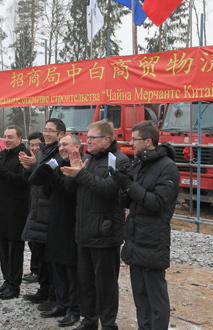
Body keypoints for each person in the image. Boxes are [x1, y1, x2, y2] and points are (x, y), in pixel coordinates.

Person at [109, 120, 179, 330]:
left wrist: (129, 187)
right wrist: (121, 186)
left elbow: (158, 204)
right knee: (139, 293)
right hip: (135, 234)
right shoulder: (139, 163)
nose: (130, 143)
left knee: (155, 294)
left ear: (148, 141)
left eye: (135, 139)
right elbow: (130, 199)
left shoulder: (168, 168)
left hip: (153, 236)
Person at [61, 119, 129, 330]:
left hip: (105, 231)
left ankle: (108, 324)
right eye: (86, 137)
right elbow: (70, 190)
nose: (87, 141)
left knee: (106, 284)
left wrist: (81, 173)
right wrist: (74, 173)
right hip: (84, 230)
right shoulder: (86, 158)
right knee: (86, 281)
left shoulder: (119, 160)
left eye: (92, 138)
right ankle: (89, 320)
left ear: (106, 139)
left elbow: (110, 189)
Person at [29, 134, 81, 327]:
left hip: (72, 223)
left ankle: (74, 309)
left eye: (65, 144)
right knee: (57, 265)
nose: (61, 148)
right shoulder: (58, 164)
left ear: (77, 146)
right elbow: (38, 184)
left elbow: (69, 190)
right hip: (55, 221)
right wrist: (45, 169)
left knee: (70, 269)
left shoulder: (79, 164)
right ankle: (61, 303)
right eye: (60, 145)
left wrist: (54, 178)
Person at [19, 119, 65, 307]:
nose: (46, 134)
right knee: (38, 254)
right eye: (45, 130)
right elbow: (32, 179)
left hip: (51, 212)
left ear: (61, 134)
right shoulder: (42, 153)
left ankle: (54, 296)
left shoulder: (60, 154)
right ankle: (43, 290)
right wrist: (27, 167)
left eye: (51, 131)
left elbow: (52, 180)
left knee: (50, 257)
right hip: (37, 210)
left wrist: (35, 166)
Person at [0, 125, 31, 300]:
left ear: (19, 138)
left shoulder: (24, 155)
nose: (7, 140)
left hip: (18, 208)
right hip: (2, 206)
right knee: (2, 245)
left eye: (10, 137)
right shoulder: (3, 154)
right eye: (5, 137)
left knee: (15, 249)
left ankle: (14, 285)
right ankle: (7, 280)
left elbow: (21, 181)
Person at [23, 131, 45, 284]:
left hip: (42, 205)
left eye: (38, 144)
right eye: (32, 145)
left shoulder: (44, 158)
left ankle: (38, 271)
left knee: (38, 241)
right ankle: (34, 269)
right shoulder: (28, 159)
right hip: (30, 203)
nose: (35, 147)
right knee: (31, 239)